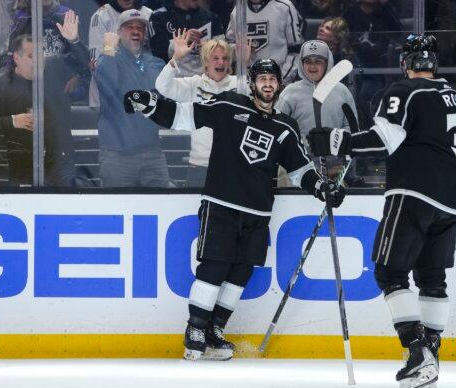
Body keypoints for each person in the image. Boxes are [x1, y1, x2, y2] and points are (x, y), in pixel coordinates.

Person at [307, 34, 456, 388]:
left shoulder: (403, 91)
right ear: (435, 64)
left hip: (414, 190)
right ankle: (431, 357)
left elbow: (385, 139)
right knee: (433, 277)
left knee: (389, 270)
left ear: (406, 64)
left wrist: (339, 141)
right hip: (454, 199)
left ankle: (417, 354)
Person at [123, 58, 345, 360]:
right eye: (261, 78)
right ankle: (196, 329)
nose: (267, 84)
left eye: (272, 79)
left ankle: (215, 331)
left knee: (240, 272)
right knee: (214, 266)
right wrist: (150, 105)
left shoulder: (285, 127)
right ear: (252, 84)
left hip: (258, 213)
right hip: (221, 204)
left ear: (279, 84)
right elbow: (185, 116)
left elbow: (298, 169)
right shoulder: (229, 106)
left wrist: (321, 187)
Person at [0, 11, 89, 186]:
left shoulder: (55, 67)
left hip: (61, 163)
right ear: (16, 58)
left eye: (40, 54)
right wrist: (12, 121)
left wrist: (74, 41)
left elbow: (85, 62)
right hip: (22, 165)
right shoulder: (0, 86)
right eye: (30, 56)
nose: (37, 61)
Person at [95, 9, 169, 187]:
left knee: (161, 205)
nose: (136, 31)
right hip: (117, 156)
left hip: (152, 154)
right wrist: (109, 50)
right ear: (119, 33)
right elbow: (107, 84)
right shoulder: (109, 59)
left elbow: (157, 95)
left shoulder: (155, 63)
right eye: (129, 27)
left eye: (141, 28)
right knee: (116, 210)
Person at [155, 35, 238, 187]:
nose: (221, 62)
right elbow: (163, 86)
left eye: (225, 58)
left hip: (233, 165)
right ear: (206, 61)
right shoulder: (194, 84)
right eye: (216, 58)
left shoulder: (240, 85)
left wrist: (246, 63)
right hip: (200, 167)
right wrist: (176, 58)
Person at [276, 39, 359, 186]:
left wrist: (335, 142)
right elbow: (277, 129)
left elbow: (352, 128)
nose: (312, 66)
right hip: (297, 170)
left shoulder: (342, 92)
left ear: (328, 63)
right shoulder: (290, 92)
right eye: (307, 61)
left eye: (318, 61)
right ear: (301, 64)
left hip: (335, 170)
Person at [88, 0, 153, 108]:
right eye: (129, 27)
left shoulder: (149, 14)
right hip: (107, 97)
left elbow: (155, 55)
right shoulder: (102, 15)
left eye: (139, 28)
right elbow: (96, 62)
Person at [227, 0, 304, 84]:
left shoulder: (285, 7)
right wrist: (238, 48)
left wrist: (281, 80)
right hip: (248, 82)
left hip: (279, 81)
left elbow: (296, 51)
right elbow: (228, 45)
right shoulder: (238, 10)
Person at [150, 0, 224, 77]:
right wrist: (183, 40)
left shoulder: (210, 17)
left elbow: (223, 47)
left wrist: (210, 46)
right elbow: (157, 51)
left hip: (205, 78)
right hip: (175, 79)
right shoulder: (159, 16)